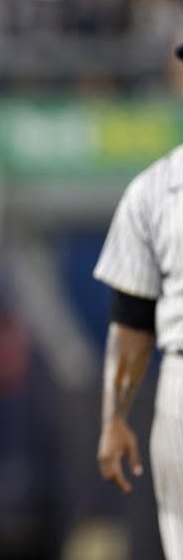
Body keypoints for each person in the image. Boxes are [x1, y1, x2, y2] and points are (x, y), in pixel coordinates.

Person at [94, 141, 183, 560]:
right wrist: (115, 416)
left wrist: (116, 419)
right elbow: (132, 322)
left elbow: (131, 326)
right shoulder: (153, 190)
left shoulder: (156, 187)